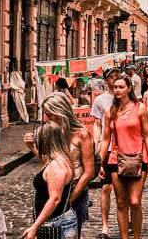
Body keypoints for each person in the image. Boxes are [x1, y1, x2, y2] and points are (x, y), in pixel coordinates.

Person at [25, 92, 96, 235]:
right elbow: (50, 163)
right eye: (46, 115)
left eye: (50, 115)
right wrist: (33, 147)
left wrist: (69, 199)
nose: (47, 119)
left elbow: (89, 172)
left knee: (71, 231)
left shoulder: (82, 133)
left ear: (61, 112)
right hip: (54, 191)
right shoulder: (53, 132)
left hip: (75, 191)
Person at [98, 75, 148, 239]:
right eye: (115, 87)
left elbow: (147, 134)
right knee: (121, 202)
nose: (117, 90)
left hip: (138, 157)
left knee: (135, 201)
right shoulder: (110, 111)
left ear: (129, 88)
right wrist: (100, 162)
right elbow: (106, 138)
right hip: (116, 158)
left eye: (121, 87)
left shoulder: (140, 108)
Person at [23, 121, 78, 239]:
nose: (37, 142)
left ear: (45, 141)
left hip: (56, 223)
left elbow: (54, 199)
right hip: (56, 222)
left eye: (38, 140)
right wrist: (31, 147)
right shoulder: (60, 158)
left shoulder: (56, 165)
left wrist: (34, 227)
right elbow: (46, 161)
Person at [91, 65, 119, 239]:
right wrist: (97, 142)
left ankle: (127, 219)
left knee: (124, 190)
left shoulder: (127, 99)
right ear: (106, 80)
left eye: (117, 76)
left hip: (124, 149)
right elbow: (96, 124)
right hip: (107, 149)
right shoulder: (101, 100)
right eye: (112, 76)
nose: (115, 79)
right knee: (106, 188)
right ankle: (105, 226)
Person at [8, 58, 29, 123]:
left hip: (18, 91)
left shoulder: (14, 74)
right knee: (21, 105)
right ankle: (22, 118)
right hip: (19, 91)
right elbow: (21, 83)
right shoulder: (16, 73)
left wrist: (17, 88)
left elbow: (13, 84)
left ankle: (23, 118)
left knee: (21, 105)